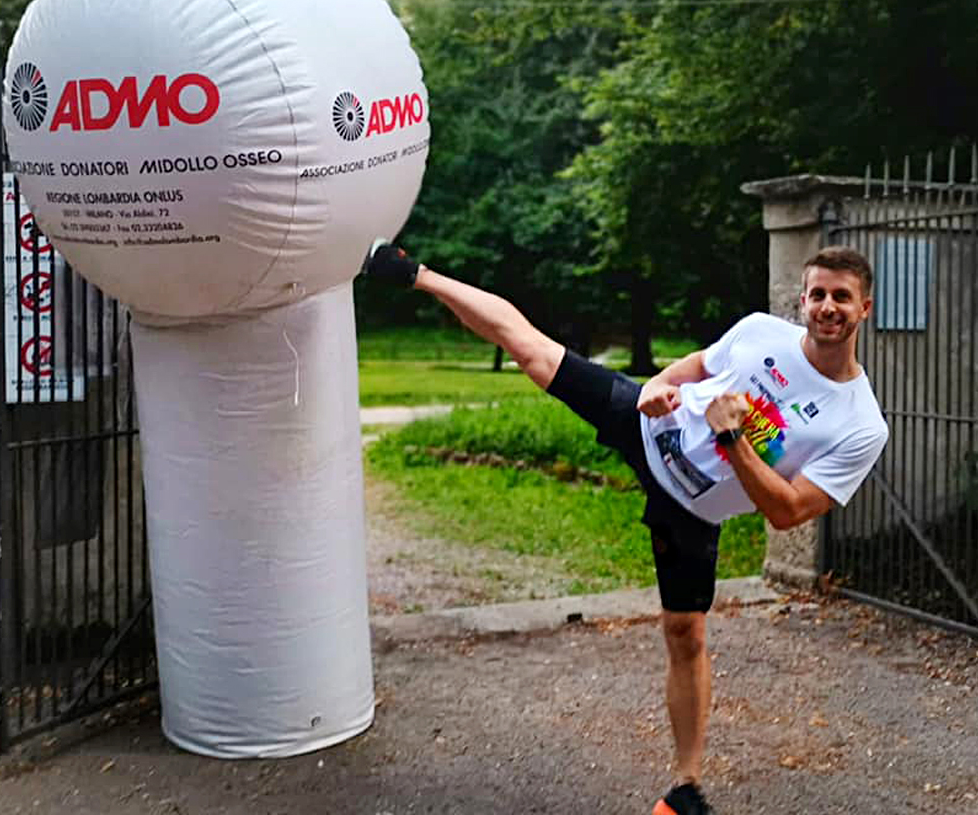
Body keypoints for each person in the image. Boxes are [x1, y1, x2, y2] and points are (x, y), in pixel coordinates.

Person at [360, 240, 889, 815]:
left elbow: (788, 511)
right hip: (649, 429)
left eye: (842, 297)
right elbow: (699, 365)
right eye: (818, 294)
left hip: (693, 511)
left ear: (864, 308)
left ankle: (685, 789)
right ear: (802, 300)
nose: (827, 307)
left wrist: (732, 438)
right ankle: (414, 273)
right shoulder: (762, 331)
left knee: (685, 634)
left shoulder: (860, 424)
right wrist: (658, 385)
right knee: (533, 351)